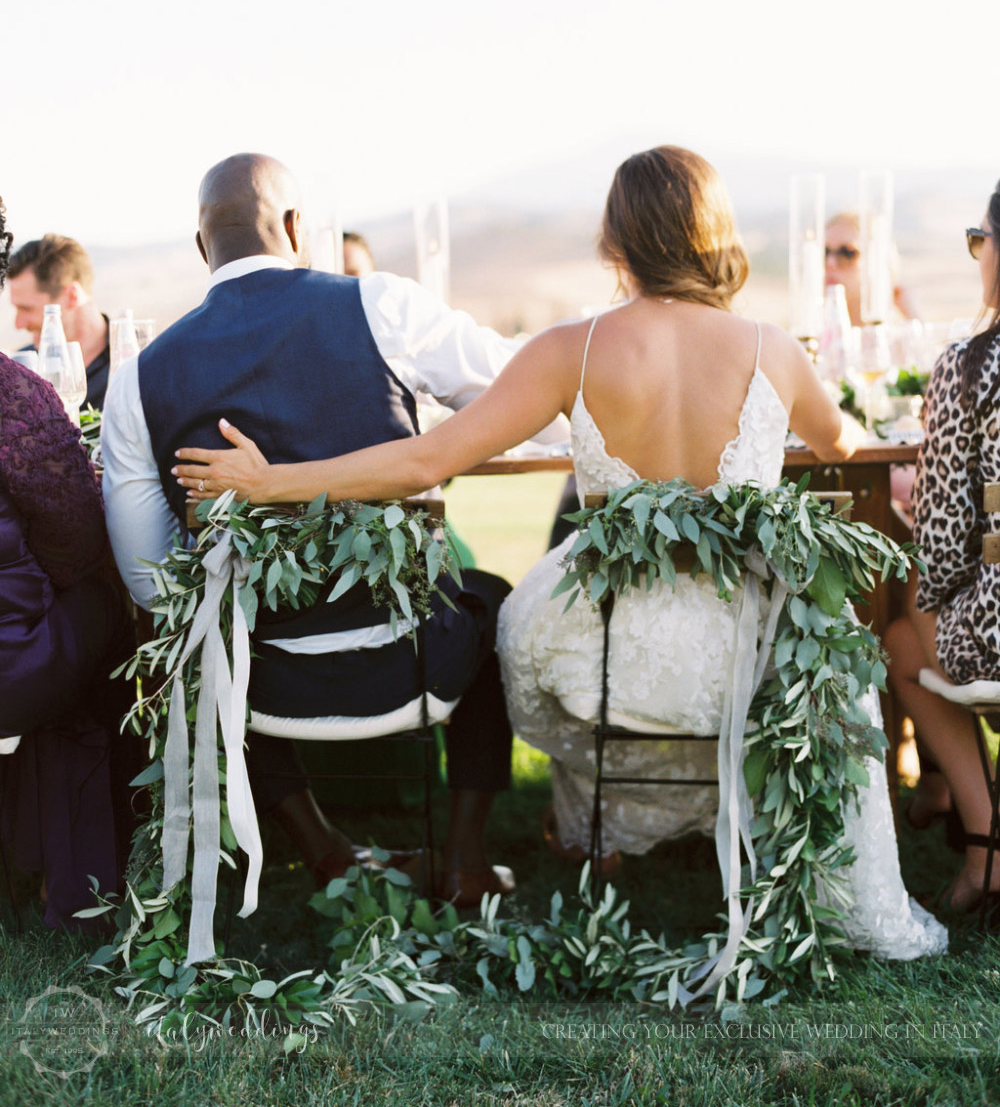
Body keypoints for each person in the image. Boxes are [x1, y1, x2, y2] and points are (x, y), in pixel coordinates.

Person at [173, 145, 946, 961]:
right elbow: (845, 443)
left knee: (515, 633)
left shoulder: (569, 351)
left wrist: (272, 480)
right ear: (716, 235)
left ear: (614, 240)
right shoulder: (774, 351)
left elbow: (425, 461)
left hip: (610, 649)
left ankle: (594, 821)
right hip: (749, 653)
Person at [101, 152, 533, 907]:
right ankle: (464, 856)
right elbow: (521, 385)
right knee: (491, 598)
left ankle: (321, 847)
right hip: (416, 659)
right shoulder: (384, 307)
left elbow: (152, 580)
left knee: (214, 631)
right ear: (298, 228)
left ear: (204, 248)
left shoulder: (139, 380)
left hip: (259, 680)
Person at [0, 198, 136, 929]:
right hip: (9, 677)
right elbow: (77, 545)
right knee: (106, 612)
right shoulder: (12, 396)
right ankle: (77, 877)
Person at [884, 184, 1000, 912]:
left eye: (978, 239)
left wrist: (908, 501)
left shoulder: (968, 366)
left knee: (902, 634)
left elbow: (946, 549)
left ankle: (988, 849)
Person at [7, 234, 113, 408]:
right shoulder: (20, 370)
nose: (18, 324)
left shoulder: (134, 365)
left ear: (71, 296)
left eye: (26, 309)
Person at [824, 210, 920, 327]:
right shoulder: (808, 335)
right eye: (824, 252)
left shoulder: (897, 339)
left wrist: (913, 319)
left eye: (848, 253)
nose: (830, 263)